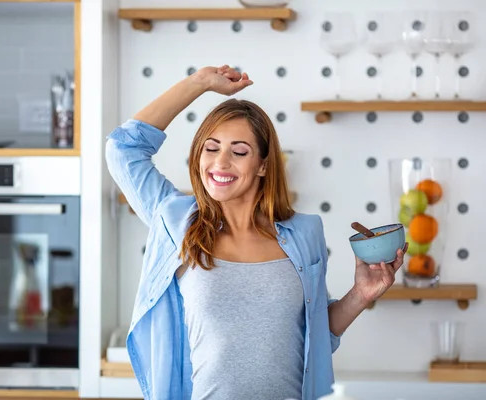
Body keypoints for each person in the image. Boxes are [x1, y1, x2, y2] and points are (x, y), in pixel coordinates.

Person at [105, 65, 408, 400]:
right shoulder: (177, 223)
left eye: (238, 152)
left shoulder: (304, 234)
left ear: (263, 165)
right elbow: (123, 151)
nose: (220, 162)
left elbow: (316, 336)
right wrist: (200, 82)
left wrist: (361, 295)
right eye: (211, 148)